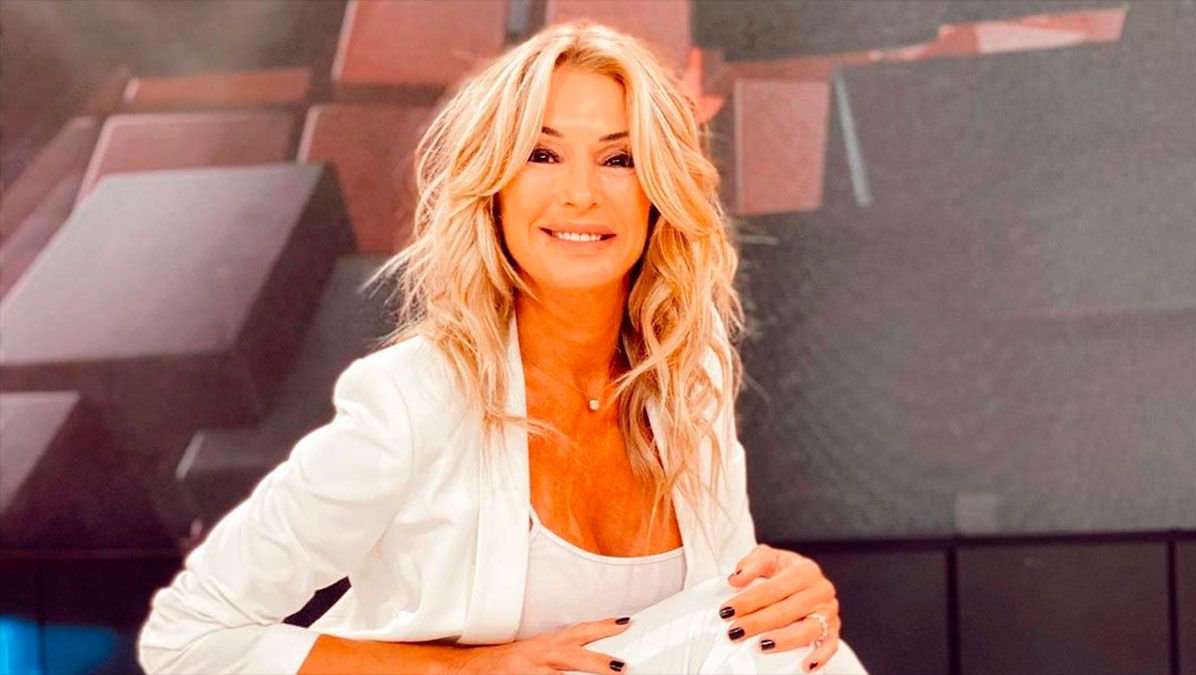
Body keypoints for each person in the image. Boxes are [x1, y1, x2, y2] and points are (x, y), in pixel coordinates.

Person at [138, 21, 866, 675]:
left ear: (659, 194)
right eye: (542, 154)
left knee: (803, 656)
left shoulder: (685, 376)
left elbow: (727, 617)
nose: (580, 193)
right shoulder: (413, 400)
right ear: (494, 188)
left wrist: (788, 596)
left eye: (619, 159)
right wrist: (467, 671)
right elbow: (188, 637)